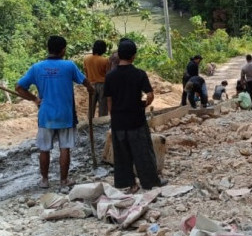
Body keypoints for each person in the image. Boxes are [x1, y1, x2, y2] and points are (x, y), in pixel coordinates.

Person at [16, 35, 94, 190]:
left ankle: (44, 180)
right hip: (66, 115)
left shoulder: (37, 67)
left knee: (44, 148)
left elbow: (19, 87)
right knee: (65, 148)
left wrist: (35, 99)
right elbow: (85, 82)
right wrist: (92, 90)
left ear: (48, 49)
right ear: (63, 50)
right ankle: (63, 180)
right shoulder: (69, 66)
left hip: (46, 116)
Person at [104, 39, 166, 192]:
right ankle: (150, 182)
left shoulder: (110, 76)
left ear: (119, 55)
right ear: (134, 56)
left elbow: (109, 99)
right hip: (136, 120)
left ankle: (130, 184)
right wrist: (143, 104)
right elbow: (150, 95)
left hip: (118, 121)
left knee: (122, 155)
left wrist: (113, 116)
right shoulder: (139, 74)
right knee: (143, 152)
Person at [84, 39, 110, 120]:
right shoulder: (105, 60)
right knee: (103, 108)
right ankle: (102, 124)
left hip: (91, 84)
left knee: (91, 107)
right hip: (103, 85)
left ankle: (90, 124)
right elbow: (108, 74)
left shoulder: (86, 59)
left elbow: (86, 72)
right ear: (103, 49)